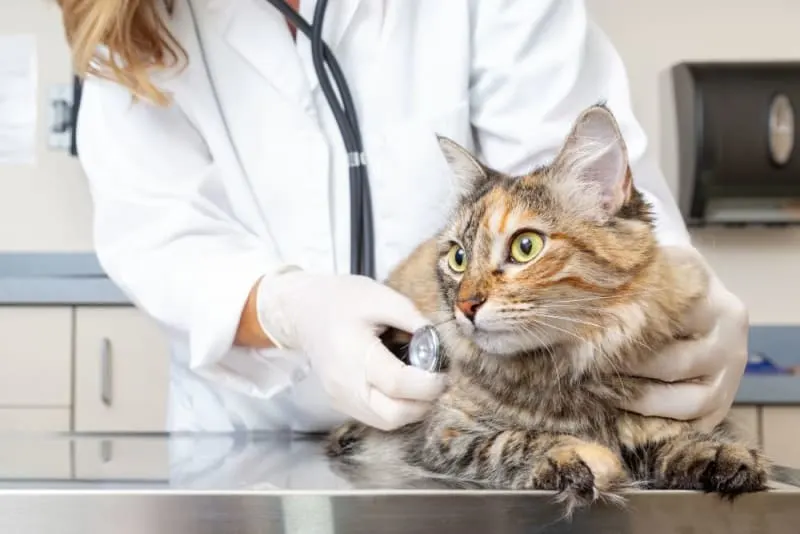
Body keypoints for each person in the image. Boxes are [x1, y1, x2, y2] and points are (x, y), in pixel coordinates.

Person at [58, 0, 749, 433]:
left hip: (483, 430)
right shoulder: (125, 17)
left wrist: (673, 292)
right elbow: (159, 233)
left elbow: (575, 180)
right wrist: (291, 307)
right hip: (253, 440)